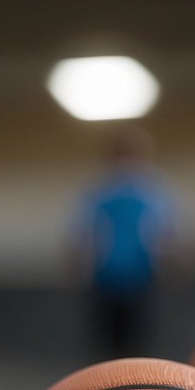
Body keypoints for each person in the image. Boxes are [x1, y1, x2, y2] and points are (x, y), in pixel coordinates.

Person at [70, 127, 177, 358]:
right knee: (106, 346)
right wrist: (80, 269)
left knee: (141, 344)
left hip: (142, 281)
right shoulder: (97, 192)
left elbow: (168, 236)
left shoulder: (155, 192)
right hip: (105, 281)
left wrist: (170, 267)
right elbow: (81, 236)